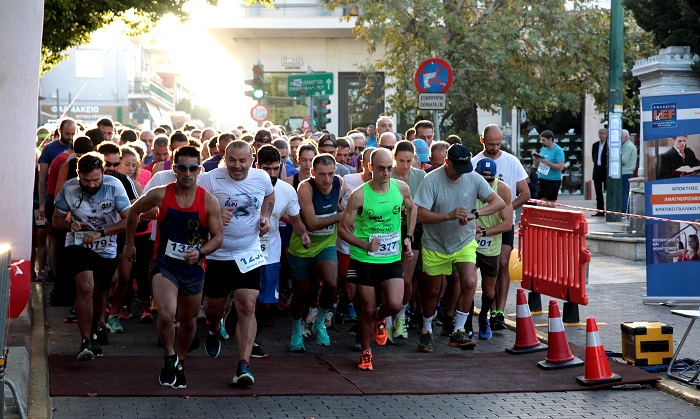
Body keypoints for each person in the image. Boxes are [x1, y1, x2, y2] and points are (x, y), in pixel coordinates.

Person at [124, 146, 223, 388]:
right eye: (182, 168)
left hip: (192, 268)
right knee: (167, 315)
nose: (187, 173)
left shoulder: (208, 201)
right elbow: (134, 210)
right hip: (165, 264)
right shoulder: (160, 194)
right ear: (175, 169)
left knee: (189, 322)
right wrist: (129, 244)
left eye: (192, 168)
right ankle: (169, 356)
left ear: (199, 170)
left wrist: (200, 252)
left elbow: (218, 237)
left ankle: (180, 360)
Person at [413, 144, 505, 352]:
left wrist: (475, 215)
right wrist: (448, 215)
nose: (461, 174)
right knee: (433, 291)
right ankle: (426, 329)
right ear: (447, 162)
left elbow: (498, 202)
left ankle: (459, 329)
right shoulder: (432, 180)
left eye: (466, 168)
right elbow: (420, 215)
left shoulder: (472, 177)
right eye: (457, 169)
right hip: (435, 243)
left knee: (470, 282)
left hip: (464, 241)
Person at [198, 140, 274, 386]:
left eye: (243, 161)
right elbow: (193, 208)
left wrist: (265, 216)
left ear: (252, 160)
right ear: (224, 158)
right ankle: (213, 327)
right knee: (215, 308)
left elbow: (269, 196)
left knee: (247, 305)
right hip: (218, 254)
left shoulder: (261, 177)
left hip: (248, 251)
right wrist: (214, 216)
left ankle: (244, 364)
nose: (237, 166)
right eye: (232, 160)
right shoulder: (210, 179)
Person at [338, 148, 416, 370]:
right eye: (381, 168)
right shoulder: (360, 195)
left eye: (389, 168)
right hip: (365, 259)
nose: (386, 172)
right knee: (368, 308)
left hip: (390, 258)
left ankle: (380, 321)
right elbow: (342, 231)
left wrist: (408, 237)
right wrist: (365, 245)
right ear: (370, 168)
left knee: (393, 303)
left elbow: (413, 209)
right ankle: (366, 352)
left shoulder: (401, 188)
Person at [52, 152, 131, 360]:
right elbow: (56, 219)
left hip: (106, 246)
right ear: (79, 175)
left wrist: (102, 232)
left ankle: (98, 326)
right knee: (85, 287)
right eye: (86, 181)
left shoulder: (114, 185)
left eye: (96, 179)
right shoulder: (69, 188)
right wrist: (71, 225)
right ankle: (85, 340)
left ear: (103, 173)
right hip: (78, 244)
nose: (92, 184)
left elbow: (128, 220)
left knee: (99, 293)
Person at [253, 145, 310, 357]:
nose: (272, 174)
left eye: (276, 168)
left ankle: (252, 339)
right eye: (267, 169)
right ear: (257, 166)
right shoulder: (246, 185)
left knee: (267, 306)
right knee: (242, 300)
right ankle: (226, 326)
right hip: (241, 253)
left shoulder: (287, 190)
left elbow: (295, 219)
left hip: (270, 254)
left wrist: (303, 234)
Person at [472, 124, 530, 331]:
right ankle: (482, 307)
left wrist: (505, 210)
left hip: (503, 224)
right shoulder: (474, 163)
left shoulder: (511, 161)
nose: (495, 148)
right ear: (482, 141)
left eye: (498, 144)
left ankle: (499, 311)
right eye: (491, 144)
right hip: (477, 225)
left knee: (502, 263)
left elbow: (525, 193)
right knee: (476, 267)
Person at [287, 153, 344, 352]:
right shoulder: (305, 187)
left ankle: (319, 322)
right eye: (321, 175)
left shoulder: (339, 182)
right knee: (301, 293)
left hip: (326, 243)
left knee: (331, 283)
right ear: (312, 173)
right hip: (303, 244)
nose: (327, 180)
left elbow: (334, 203)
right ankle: (296, 328)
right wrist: (341, 216)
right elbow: (311, 223)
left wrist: (345, 214)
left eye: (330, 174)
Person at [472, 158, 513, 339]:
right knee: (468, 284)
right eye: (483, 179)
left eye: (490, 180)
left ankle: (483, 317)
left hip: (491, 245)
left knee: (489, 292)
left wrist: (485, 232)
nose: (486, 183)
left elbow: (507, 224)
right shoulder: (470, 185)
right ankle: (465, 325)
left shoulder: (503, 190)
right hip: (471, 244)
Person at [390, 140, 426, 340]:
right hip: (390, 229)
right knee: (388, 276)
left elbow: (424, 204)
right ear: (394, 158)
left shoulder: (420, 176)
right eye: (401, 161)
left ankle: (401, 315)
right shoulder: (388, 175)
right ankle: (386, 318)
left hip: (413, 229)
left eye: (409, 161)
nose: (405, 166)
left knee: (406, 278)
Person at [532, 130, 565, 205]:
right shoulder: (543, 149)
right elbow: (537, 166)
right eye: (541, 140)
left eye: (544, 140)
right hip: (541, 178)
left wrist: (545, 161)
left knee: (550, 203)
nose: (542, 142)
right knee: (539, 202)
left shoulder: (558, 150)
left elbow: (561, 167)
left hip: (552, 180)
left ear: (550, 139)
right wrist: (536, 159)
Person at [620, 130, 638, 213]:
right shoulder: (627, 146)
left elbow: (624, 160)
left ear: (626, 136)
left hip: (625, 172)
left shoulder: (627, 147)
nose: (620, 138)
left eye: (621, 136)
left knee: (624, 192)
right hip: (627, 172)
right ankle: (625, 209)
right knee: (625, 191)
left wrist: (617, 155)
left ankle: (624, 210)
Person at [591, 127, 608, 215]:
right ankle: (600, 210)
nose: (601, 135)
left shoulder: (608, 145)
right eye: (600, 133)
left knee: (607, 191)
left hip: (605, 171)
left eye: (603, 133)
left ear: (606, 134)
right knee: (598, 192)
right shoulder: (595, 145)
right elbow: (593, 158)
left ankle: (609, 210)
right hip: (597, 170)